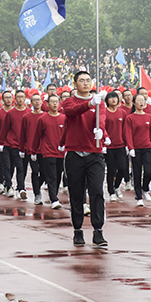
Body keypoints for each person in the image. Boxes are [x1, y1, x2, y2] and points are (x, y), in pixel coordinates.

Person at [61, 71, 109, 248]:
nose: (86, 83)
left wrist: (101, 131)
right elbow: (71, 112)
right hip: (75, 153)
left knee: (97, 191)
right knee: (76, 193)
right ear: (75, 84)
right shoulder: (69, 101)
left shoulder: (100, 104)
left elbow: (101, 120)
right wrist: (89, 103)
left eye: (88, 80)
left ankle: (98, 230)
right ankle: (78, 229)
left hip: (94, 153)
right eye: (82, 80)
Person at [124, 94, 151, 206]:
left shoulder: (149, 117)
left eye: (143, 100)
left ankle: (145, 188)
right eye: (138, 100)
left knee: (149, 171)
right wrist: (130, 148)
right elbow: (128, 134)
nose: (141, 102)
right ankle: (138, 197)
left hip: (147, 148)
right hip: (136, 149)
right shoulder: (130, 118)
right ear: (134, 103)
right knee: (137, 173)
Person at [32, 94, 65, 209]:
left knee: (58, 174)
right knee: (51, 176)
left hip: (60, 152)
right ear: (47, 104)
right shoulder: (42, 119)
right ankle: (54, 199)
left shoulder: (63, 118)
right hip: (47, 152)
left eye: (56, 102)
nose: (55, 104)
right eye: (52, 102)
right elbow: (37, 136)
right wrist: (33, 151)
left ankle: (53, 194)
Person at [103, 91, 127, 202]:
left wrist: (127, 144)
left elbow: (125, 129)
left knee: (122, 168)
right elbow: (102, 127)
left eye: (115, 97)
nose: (113, 99)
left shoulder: (122, 112)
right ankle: (111, 191)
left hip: (120, 145)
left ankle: (116, 186)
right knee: (111, 169)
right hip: (109, 146)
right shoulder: (104, 112)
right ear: (107, 100)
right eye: (111, 97)